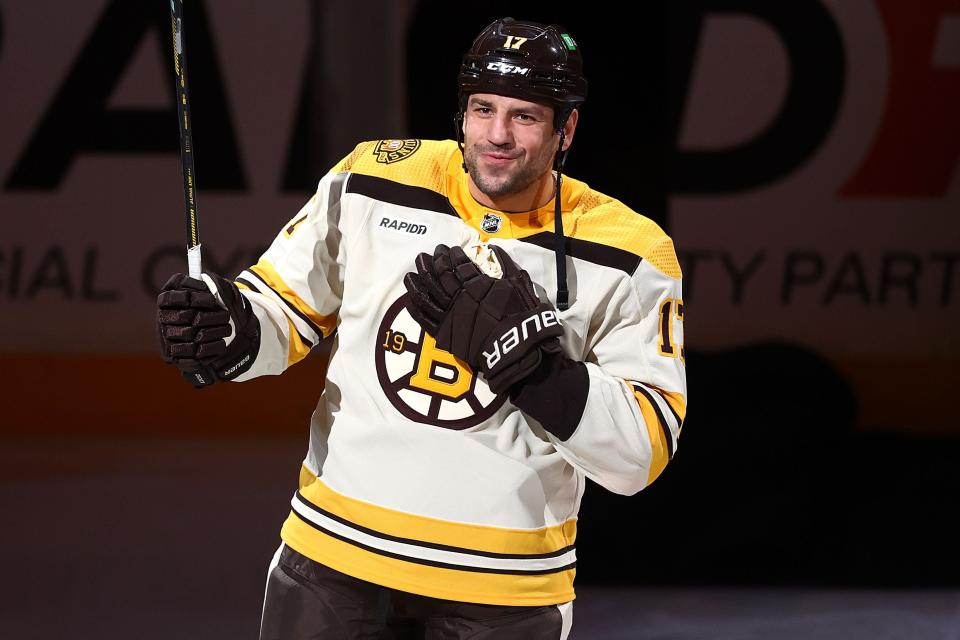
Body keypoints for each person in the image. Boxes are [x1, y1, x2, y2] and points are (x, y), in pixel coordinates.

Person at [157, 17, 686, 640]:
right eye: (483, 109)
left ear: (565, 128)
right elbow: (280, 311)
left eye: (525, 116)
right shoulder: (371, 180)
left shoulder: (631, 252)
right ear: (461, 112)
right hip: (332, 564)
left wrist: (534, 370)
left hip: (503, 592)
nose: (497, 135)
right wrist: (232, 332)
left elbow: (638, 454)